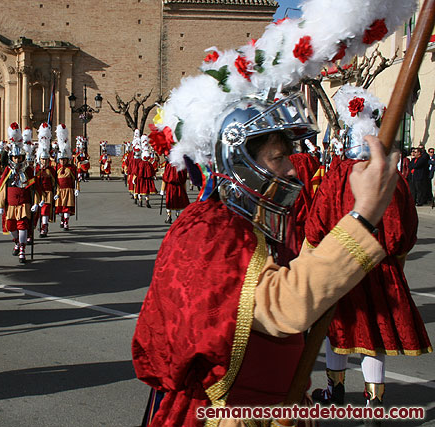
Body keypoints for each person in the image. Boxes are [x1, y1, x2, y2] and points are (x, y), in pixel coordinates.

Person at [131, 2, 414, 423]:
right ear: (241, 159)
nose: (289, 168)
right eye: (279, 156)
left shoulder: (242, 224)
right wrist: (363, 216)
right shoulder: (210, 231)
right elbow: (284, 307)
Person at [307, 86, 431, 412]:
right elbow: (405, 229)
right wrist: (396, 255)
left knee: (339, 331)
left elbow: (316, 224)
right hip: (382, 268)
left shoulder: (336, 176)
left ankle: (335, 392)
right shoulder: (394, 178)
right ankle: (374, 402)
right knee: (373, 339)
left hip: (341, 265)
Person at [0, 123, 38, 263]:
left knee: (22, 226)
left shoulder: (28, 171)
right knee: (11, 227)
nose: (17, 160)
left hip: (24, 203)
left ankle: (22, 249)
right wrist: (0, 204)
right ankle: (16, 242)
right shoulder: (8, 171)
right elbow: (2, 188)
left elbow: (34, 188)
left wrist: (36, 202)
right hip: (11, 205)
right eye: (14, 158)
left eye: (19, 157)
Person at [54, 124, 79, 231]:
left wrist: (77, 188)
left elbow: (76, 179)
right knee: (60, 207)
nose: (63, 161)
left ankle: (66, 222)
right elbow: (53, 179)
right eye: (61, 160)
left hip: (68, 190)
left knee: (67, 207)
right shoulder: (57, 168)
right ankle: (62, 219)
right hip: (60, 190)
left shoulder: (71, 168)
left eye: (64, 160)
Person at [34, 123, 56, 237]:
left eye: (46, 159)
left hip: (47, 193)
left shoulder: (51, 170)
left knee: (45, 210)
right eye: (43, 159)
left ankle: (44, 226)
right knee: (37, 211)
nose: (44, 161)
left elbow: (55, 182)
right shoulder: (36, 169)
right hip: (38, 193)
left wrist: (55, 193)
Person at [159, 155, 189, 224]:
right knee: (178, 201)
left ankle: (169, 216)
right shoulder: (181, 167)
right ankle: (178, 215)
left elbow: (165, 178)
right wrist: (185, 189)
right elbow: (184, 180)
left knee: (169, 201)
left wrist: (162, 189)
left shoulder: (169, 166)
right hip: (179, 186)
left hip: (170, 186)